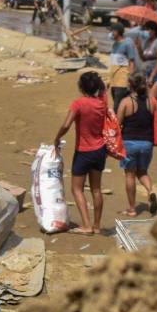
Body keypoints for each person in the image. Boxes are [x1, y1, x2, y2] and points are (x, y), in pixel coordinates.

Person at [51, 71, 109, 235]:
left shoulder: (78, 104)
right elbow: (104, 92)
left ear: (81, 87)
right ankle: (96, 226)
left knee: (77, 189)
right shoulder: (101, 104)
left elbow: (66, 125)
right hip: (100, 150)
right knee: (96, 189)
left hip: (84, 151)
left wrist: (57, 138)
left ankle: (86, 225)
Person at [115, 74, 157, 217]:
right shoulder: (151, 101)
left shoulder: (126, 102)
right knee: (142, 172)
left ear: (130, 85)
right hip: (147, 144)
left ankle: (132, 209)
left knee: (130, 175)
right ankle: (151, 191)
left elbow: (117, 123)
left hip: (129, 143)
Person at [135, 21, 157, 103]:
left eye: (148, 29)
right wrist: (139, 48)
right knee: (147, 100)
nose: (146, 32)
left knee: (152, 100)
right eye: (145, 29)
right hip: (148, 73)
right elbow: (144, 59)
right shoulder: (147, 42)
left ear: (154, 30)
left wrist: (152, 77)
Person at [107, 22, 135, 111]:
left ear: (117, 32)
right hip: (114, 80)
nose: (110, 33)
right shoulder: (115, 44)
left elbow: (132, 62)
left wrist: (129, 79)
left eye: (112, 31)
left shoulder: (127, 44)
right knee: (117, 104)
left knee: (117, 107)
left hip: (122, 80)